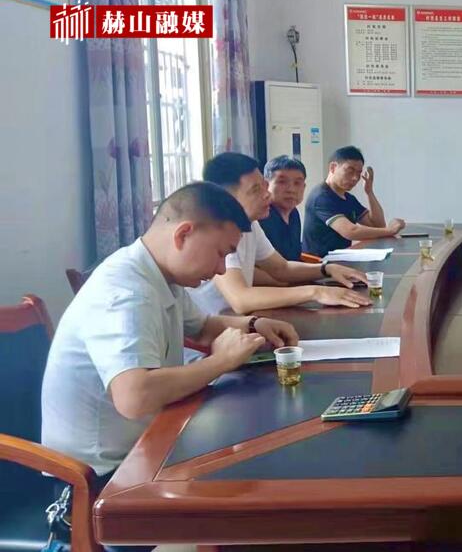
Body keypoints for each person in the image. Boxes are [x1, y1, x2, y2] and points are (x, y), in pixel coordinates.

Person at [41, 182, 299, 493]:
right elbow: (135, 397)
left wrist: (254, 324)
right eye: (220, 254)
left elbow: (202, 327)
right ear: (183, 234)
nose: (221, 269)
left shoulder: (158, 272)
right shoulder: (126, 292)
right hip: (98, 481)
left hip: (147, 444)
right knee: (253, 481)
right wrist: (221, 362)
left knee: (255, 443)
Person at [191, 153, 371, 315]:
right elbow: (240, 299)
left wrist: (327, 269)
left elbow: (281, 268)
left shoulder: (251, 224)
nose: (267, 195)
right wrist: (315, 292)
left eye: (264, 186)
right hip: (215, 329)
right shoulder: (218, 232)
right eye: (256, 190)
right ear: (226, 197)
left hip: (245, 321)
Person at [302, 146, 406, 257]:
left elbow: (378, 225)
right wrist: (390, 230)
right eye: (350, 171)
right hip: (319, 262)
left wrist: (369, 192)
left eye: (358, 173)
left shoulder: (348, 198)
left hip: (340, 257)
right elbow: (350, 231)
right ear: (333, 167)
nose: (355, 178)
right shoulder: (321, 197)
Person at [259, 155, 306, 262]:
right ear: (266, 185)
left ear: (304, 187)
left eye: (297, 183)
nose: (291, 190)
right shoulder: (260, 215)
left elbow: (294, 257)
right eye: (282, 182)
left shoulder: (294, 213)